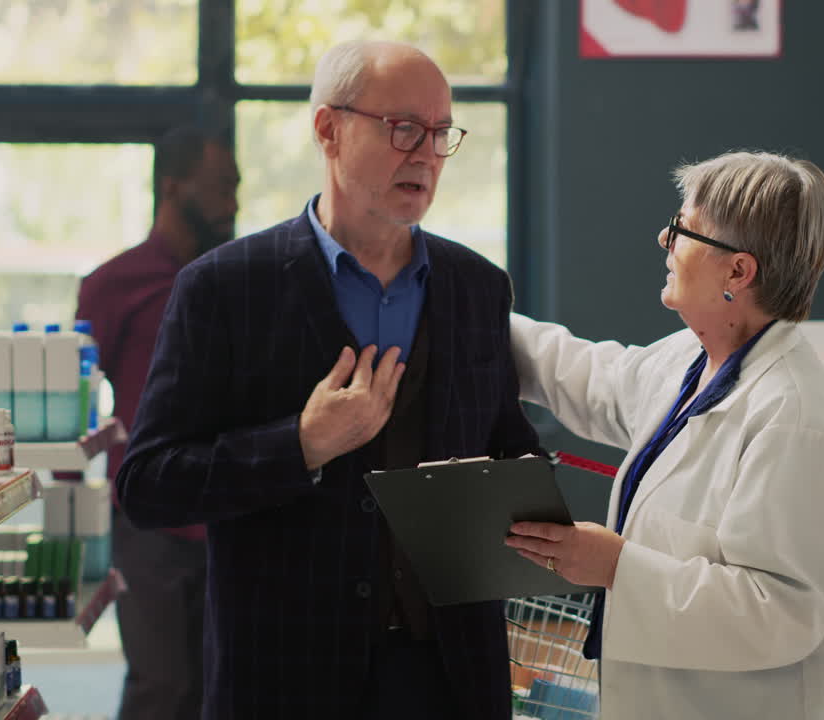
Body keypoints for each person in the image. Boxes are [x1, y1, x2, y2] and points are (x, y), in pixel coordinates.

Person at [116, 40, 539, 720]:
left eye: (439, 133)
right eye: (403, 128)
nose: (426, 153)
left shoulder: (477, 288)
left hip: (451, 681)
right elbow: (148, 485)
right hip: (284, 683)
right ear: (327, 129)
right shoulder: (222, 290)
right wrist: (301, 445)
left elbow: (509, 451)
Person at [505, 151, 824, 720]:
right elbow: (585, 377)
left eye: (683, 229)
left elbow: (779, 614)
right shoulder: (689, 360)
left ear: (738, 271)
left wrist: (616, 567)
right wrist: (472, 309)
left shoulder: (796, 420)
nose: (665, 238)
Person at [75, 125, 239, 720]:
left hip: (228, 516)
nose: (234, 203)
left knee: (218, 693)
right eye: (222, 187)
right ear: (173, 186)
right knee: (162, 687)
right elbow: (76, 402)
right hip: (149, 526)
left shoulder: (236, 279)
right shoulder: (111, 285)